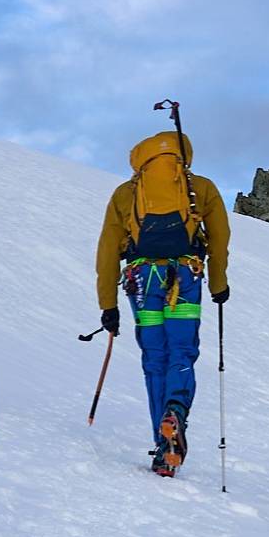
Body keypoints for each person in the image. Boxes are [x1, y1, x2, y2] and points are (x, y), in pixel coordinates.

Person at [96, 126, 229, 475]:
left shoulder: (126, 193)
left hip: (141, 279)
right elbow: (219, 237)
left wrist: (108, 304)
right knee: (181, 352)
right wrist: (218, 283)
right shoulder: (200, 188)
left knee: (155, 357)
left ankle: (162, 444)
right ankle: (176, 413)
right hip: (185, 276)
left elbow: (108, 248)